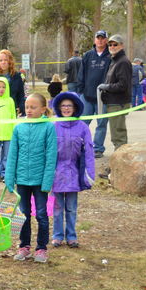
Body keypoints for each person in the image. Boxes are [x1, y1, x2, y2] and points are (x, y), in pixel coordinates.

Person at [6, 93, 57, 264]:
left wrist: (47, 181)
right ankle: (24, 246)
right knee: (24, 214)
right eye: (27, 107)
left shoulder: (48, 127)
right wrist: (9, 177)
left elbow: (51, 156)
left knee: (42, 215)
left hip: (40, 181)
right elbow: (12, 154)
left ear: (43, 109)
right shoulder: (18, 127)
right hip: (22, 180)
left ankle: (41, 248)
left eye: (33, 107)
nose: (29, 110)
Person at [51, 92, 95, 249]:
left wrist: (89, 174)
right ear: (58, 107)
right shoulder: (53, 125)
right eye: (63, 105)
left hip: (74, 174)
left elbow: (89, 152)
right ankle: (57, 236)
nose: (66, 108)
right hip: (55, 174)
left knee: (71, 208)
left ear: (75, 107)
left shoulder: (82, 127)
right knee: (57, 208)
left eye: (69, 105)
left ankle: (71, 236)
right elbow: (46, 151)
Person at [77, 30, 111, 159]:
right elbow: (81, 74)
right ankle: (80, 146)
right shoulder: (87, 55)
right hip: (87, 96)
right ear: (95, 40)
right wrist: (81, 92)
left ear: (106, 40)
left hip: (103, 97)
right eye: (98, 38)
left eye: (103, 38)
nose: (100, 40)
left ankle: (98, 148)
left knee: (101, 124)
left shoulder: (110, 56)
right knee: (83, 123)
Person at [97, 34, 132, 152]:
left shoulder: (123, 62)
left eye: (115, 44)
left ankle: (122, 163)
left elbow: (123, 85)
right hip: (113, 103)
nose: (112, 46)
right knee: (115, 135)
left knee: (118, 136)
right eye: (110, 44)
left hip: (118, 103)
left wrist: (106, 87)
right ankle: (119, 161)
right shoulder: (114, 60)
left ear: (121, 46)